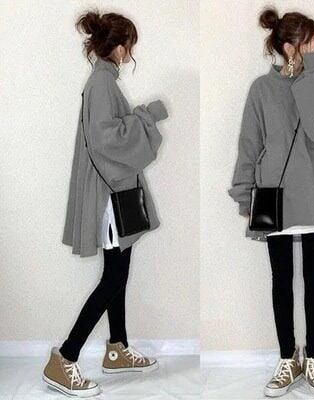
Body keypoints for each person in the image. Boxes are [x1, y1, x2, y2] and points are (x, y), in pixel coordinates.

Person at [42, 10, 168, 397]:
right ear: (119, 46)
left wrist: (138, 117)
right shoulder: (101, 83)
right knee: (114, 277)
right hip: (110, 194)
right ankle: (65, 358)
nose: (131, 51)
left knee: (118, 272)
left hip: (114, 191)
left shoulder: (104, 80)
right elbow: (106, 140)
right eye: (129, 44)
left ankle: (117, 348)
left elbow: (106, 136)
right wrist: (147, 115)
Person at [228, 7, 314, 398]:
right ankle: (287, 358)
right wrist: (244, 192)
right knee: (280, 279)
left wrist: (313, 71)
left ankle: (312, 358)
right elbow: (249, 143)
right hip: (274, 195)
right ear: (288, 46)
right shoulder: (261, 89)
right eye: (309, 41)